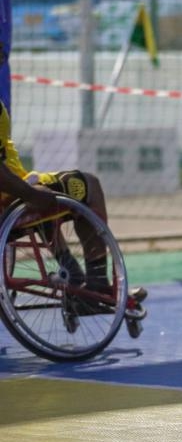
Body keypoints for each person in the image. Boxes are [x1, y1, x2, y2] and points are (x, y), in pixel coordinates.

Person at [0, 96, 146, 310]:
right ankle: (97, 285)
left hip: (12, 193)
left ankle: (74, 275)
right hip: (8, 201)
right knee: (88, 186)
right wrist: (29, 193)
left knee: (47, 191)